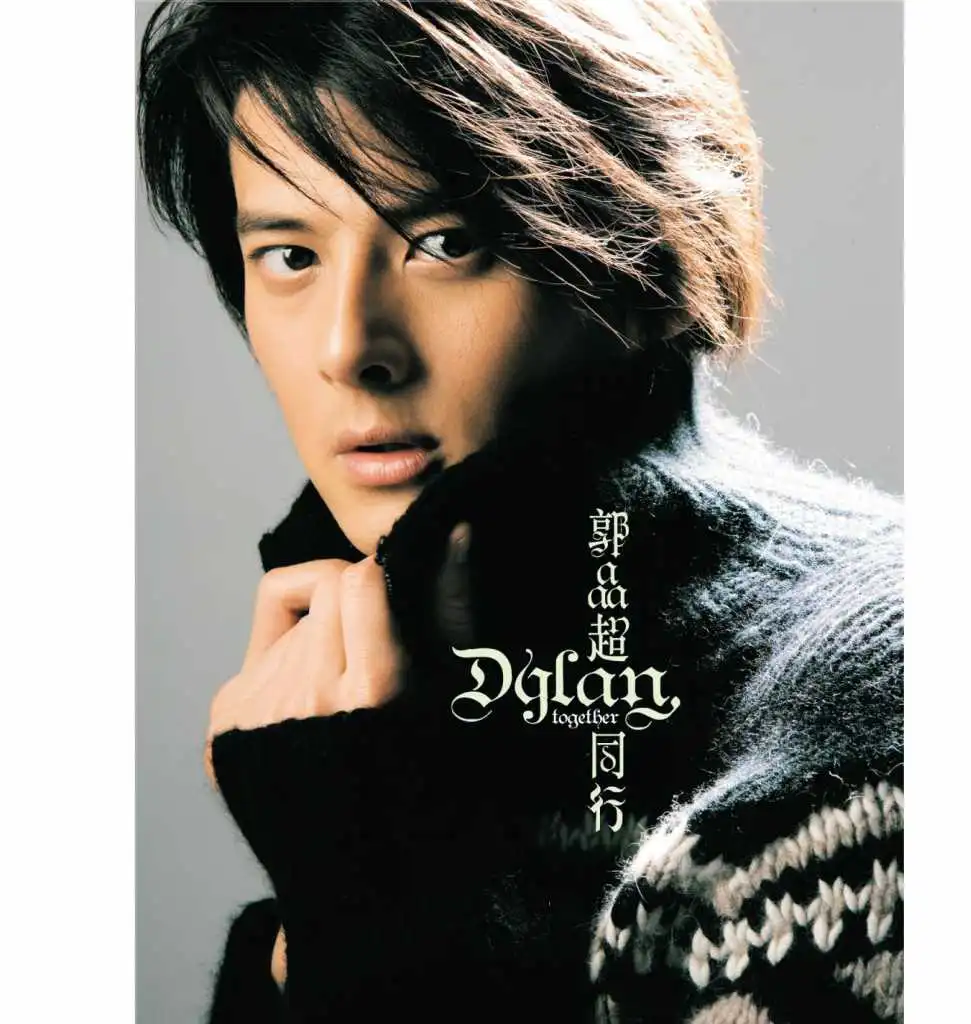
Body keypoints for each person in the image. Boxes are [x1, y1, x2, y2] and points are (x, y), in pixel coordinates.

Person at [137, 1, 904, 1021]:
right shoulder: (391, 686)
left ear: (641, 257)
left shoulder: (869, 759)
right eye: (290, 255)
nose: (346, 346)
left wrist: (368, 920)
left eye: (444, 242)